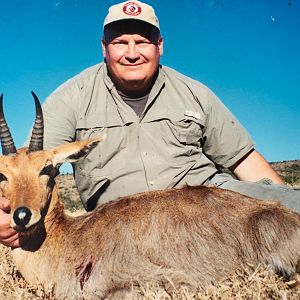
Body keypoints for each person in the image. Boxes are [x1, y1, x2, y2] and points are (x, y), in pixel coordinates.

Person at [0, 1, 299, 248]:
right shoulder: (72, 97)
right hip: (126, 223)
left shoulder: (194, 93)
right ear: (104, 48)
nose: (132, 53)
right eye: (120, 42)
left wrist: (282, 199)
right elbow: (26, 163)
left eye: (142, 42)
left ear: (160, 46)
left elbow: (243, 160)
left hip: (211, 203)